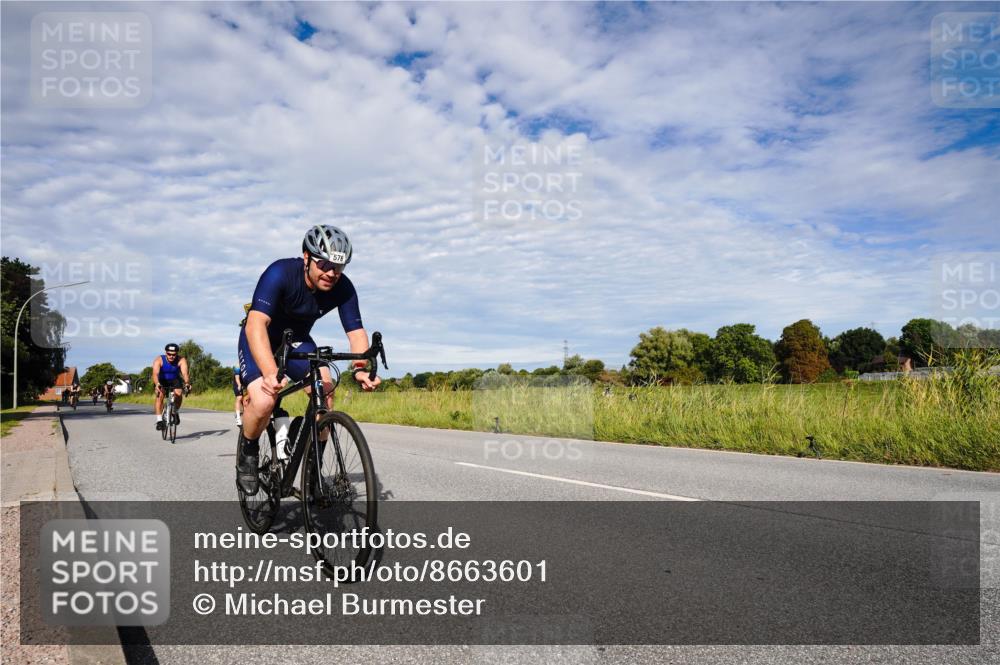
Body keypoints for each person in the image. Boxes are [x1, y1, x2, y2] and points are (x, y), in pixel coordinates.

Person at [236, 224, 380, 493]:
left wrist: (360, 368)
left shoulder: (343, 288)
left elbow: (356, 332)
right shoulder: (280, 272)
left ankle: (312, 474)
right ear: (306, 257)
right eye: (323, 264)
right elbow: (256, 325)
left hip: (298, 341)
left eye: (338, 267)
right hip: (261, 337)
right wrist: (270, 372)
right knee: (265, 400)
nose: (331, 273)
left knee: (325, 390)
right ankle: (248, 448)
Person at [152, 343, 191, 431]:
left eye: (174, 354)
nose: (171, 356)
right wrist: (157, 384)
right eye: (169, 354)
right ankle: (159, 421)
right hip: (161, 380)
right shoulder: (159, 359)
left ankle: (174, 411)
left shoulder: (181, 360)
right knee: (160, 395)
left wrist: (187, 383)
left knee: (179, 393)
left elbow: (185, 373)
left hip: (174, 379)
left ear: (177, 354)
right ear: (166, 353)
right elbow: (155, 374)